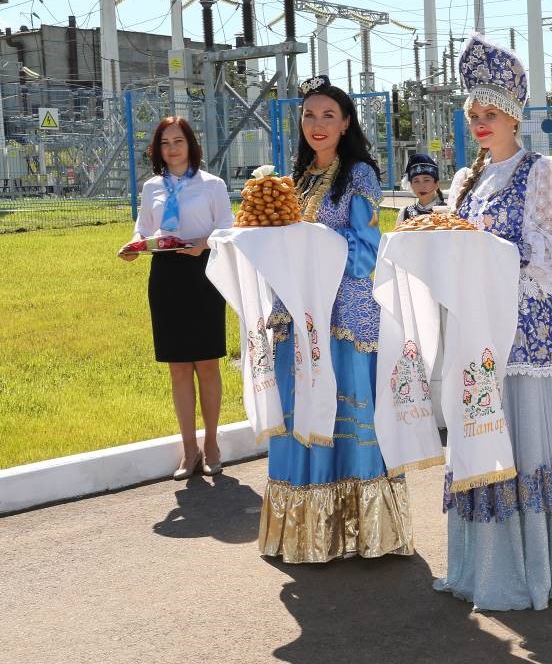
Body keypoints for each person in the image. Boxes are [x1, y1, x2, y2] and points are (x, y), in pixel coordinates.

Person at [441, 32, 552, 610]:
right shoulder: (464, 181)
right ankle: (482, 567)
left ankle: (537, 569)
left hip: (522, 327)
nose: (480, 123)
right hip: (477, 327)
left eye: (491, 114)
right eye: (474, 114)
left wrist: (489, 254)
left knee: (521, 440)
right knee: (480, 439)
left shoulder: (541, 171)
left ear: (513, 116)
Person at [260, 75, 415, 563]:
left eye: (329, 115)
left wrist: (309, 244)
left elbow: (367, 253)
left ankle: (365, 534)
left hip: (343, 318)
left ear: (347, 123)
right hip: (297, 316)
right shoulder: (298, 180)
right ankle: (306, 534)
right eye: (309, 115)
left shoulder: (360, 175)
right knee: (299, 414)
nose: (318, 124)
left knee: (347, 419)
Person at [118, 117, 233, 480]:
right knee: (179, 368)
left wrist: (204, 245)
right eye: (165, 143)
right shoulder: (151, 186)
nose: (172, 149)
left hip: (203, 275)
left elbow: (228, 230)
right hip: (166, 276)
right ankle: (188, 450)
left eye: (178, 141)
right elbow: (144, 227)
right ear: (157, 149)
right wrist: (135, 246)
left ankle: (212, 444)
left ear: (191, 144)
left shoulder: (212, 185)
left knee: (207, 364)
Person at [397, 152, 444, 222]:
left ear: (436, 184)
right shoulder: (405, 214)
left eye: (426, 180)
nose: (421, 186)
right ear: (411, 185)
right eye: (416, 181)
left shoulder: (447, 211)